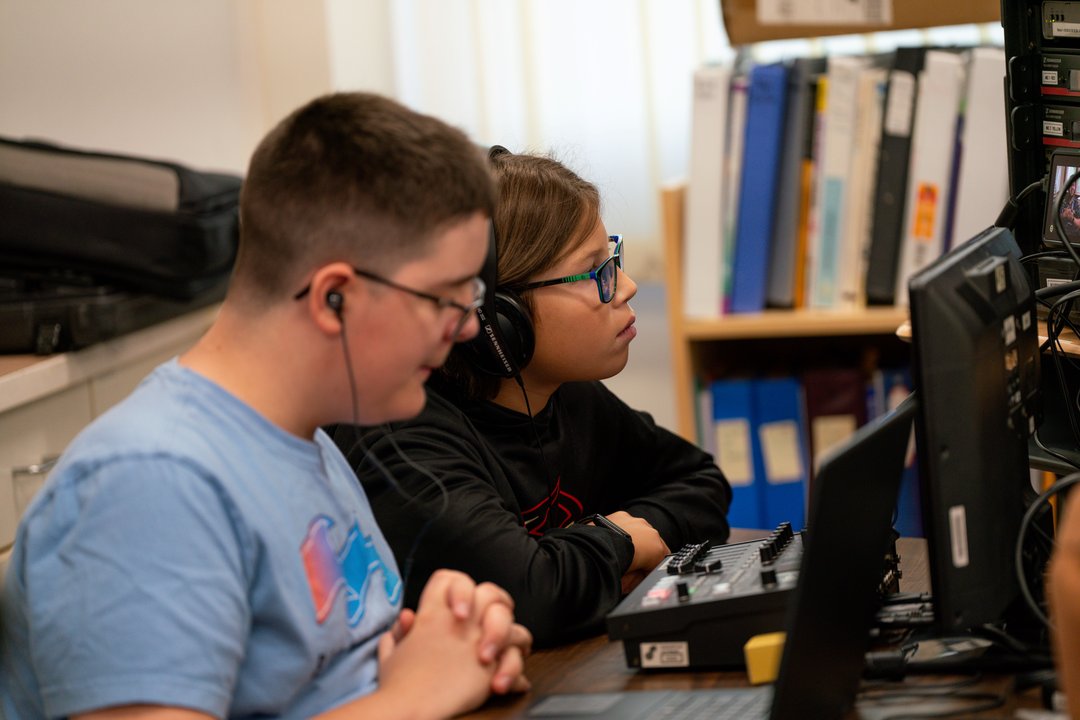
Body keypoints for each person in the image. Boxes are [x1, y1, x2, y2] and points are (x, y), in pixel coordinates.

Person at [0, 93, 532, 720]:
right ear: (334, 297)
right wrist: (415, 696)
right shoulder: (150, 483)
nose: (467, 327)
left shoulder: (307, 440)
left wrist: (453, 650)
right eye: (446, 298)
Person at [331, 148, 732, 647]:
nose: (626, 287)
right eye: (596, 271)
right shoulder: (404, 440)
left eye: (613, 259)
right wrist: (619, 542)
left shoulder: (563, 393)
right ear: (500, 316)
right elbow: (531, 596)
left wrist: (612, 546)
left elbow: (701, 482)